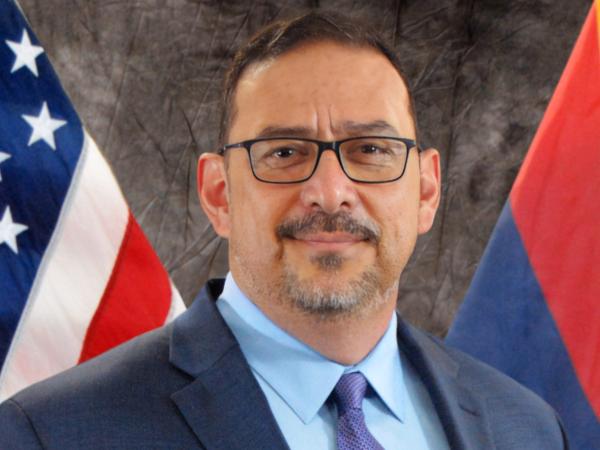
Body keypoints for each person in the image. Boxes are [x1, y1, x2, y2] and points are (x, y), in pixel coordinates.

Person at [0, 11, 567, 450]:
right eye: (284, 152)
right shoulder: (54, 433)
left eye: (370, 150)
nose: (328, 190)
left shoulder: (527, 427)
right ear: (219, 194)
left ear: (425, 191)